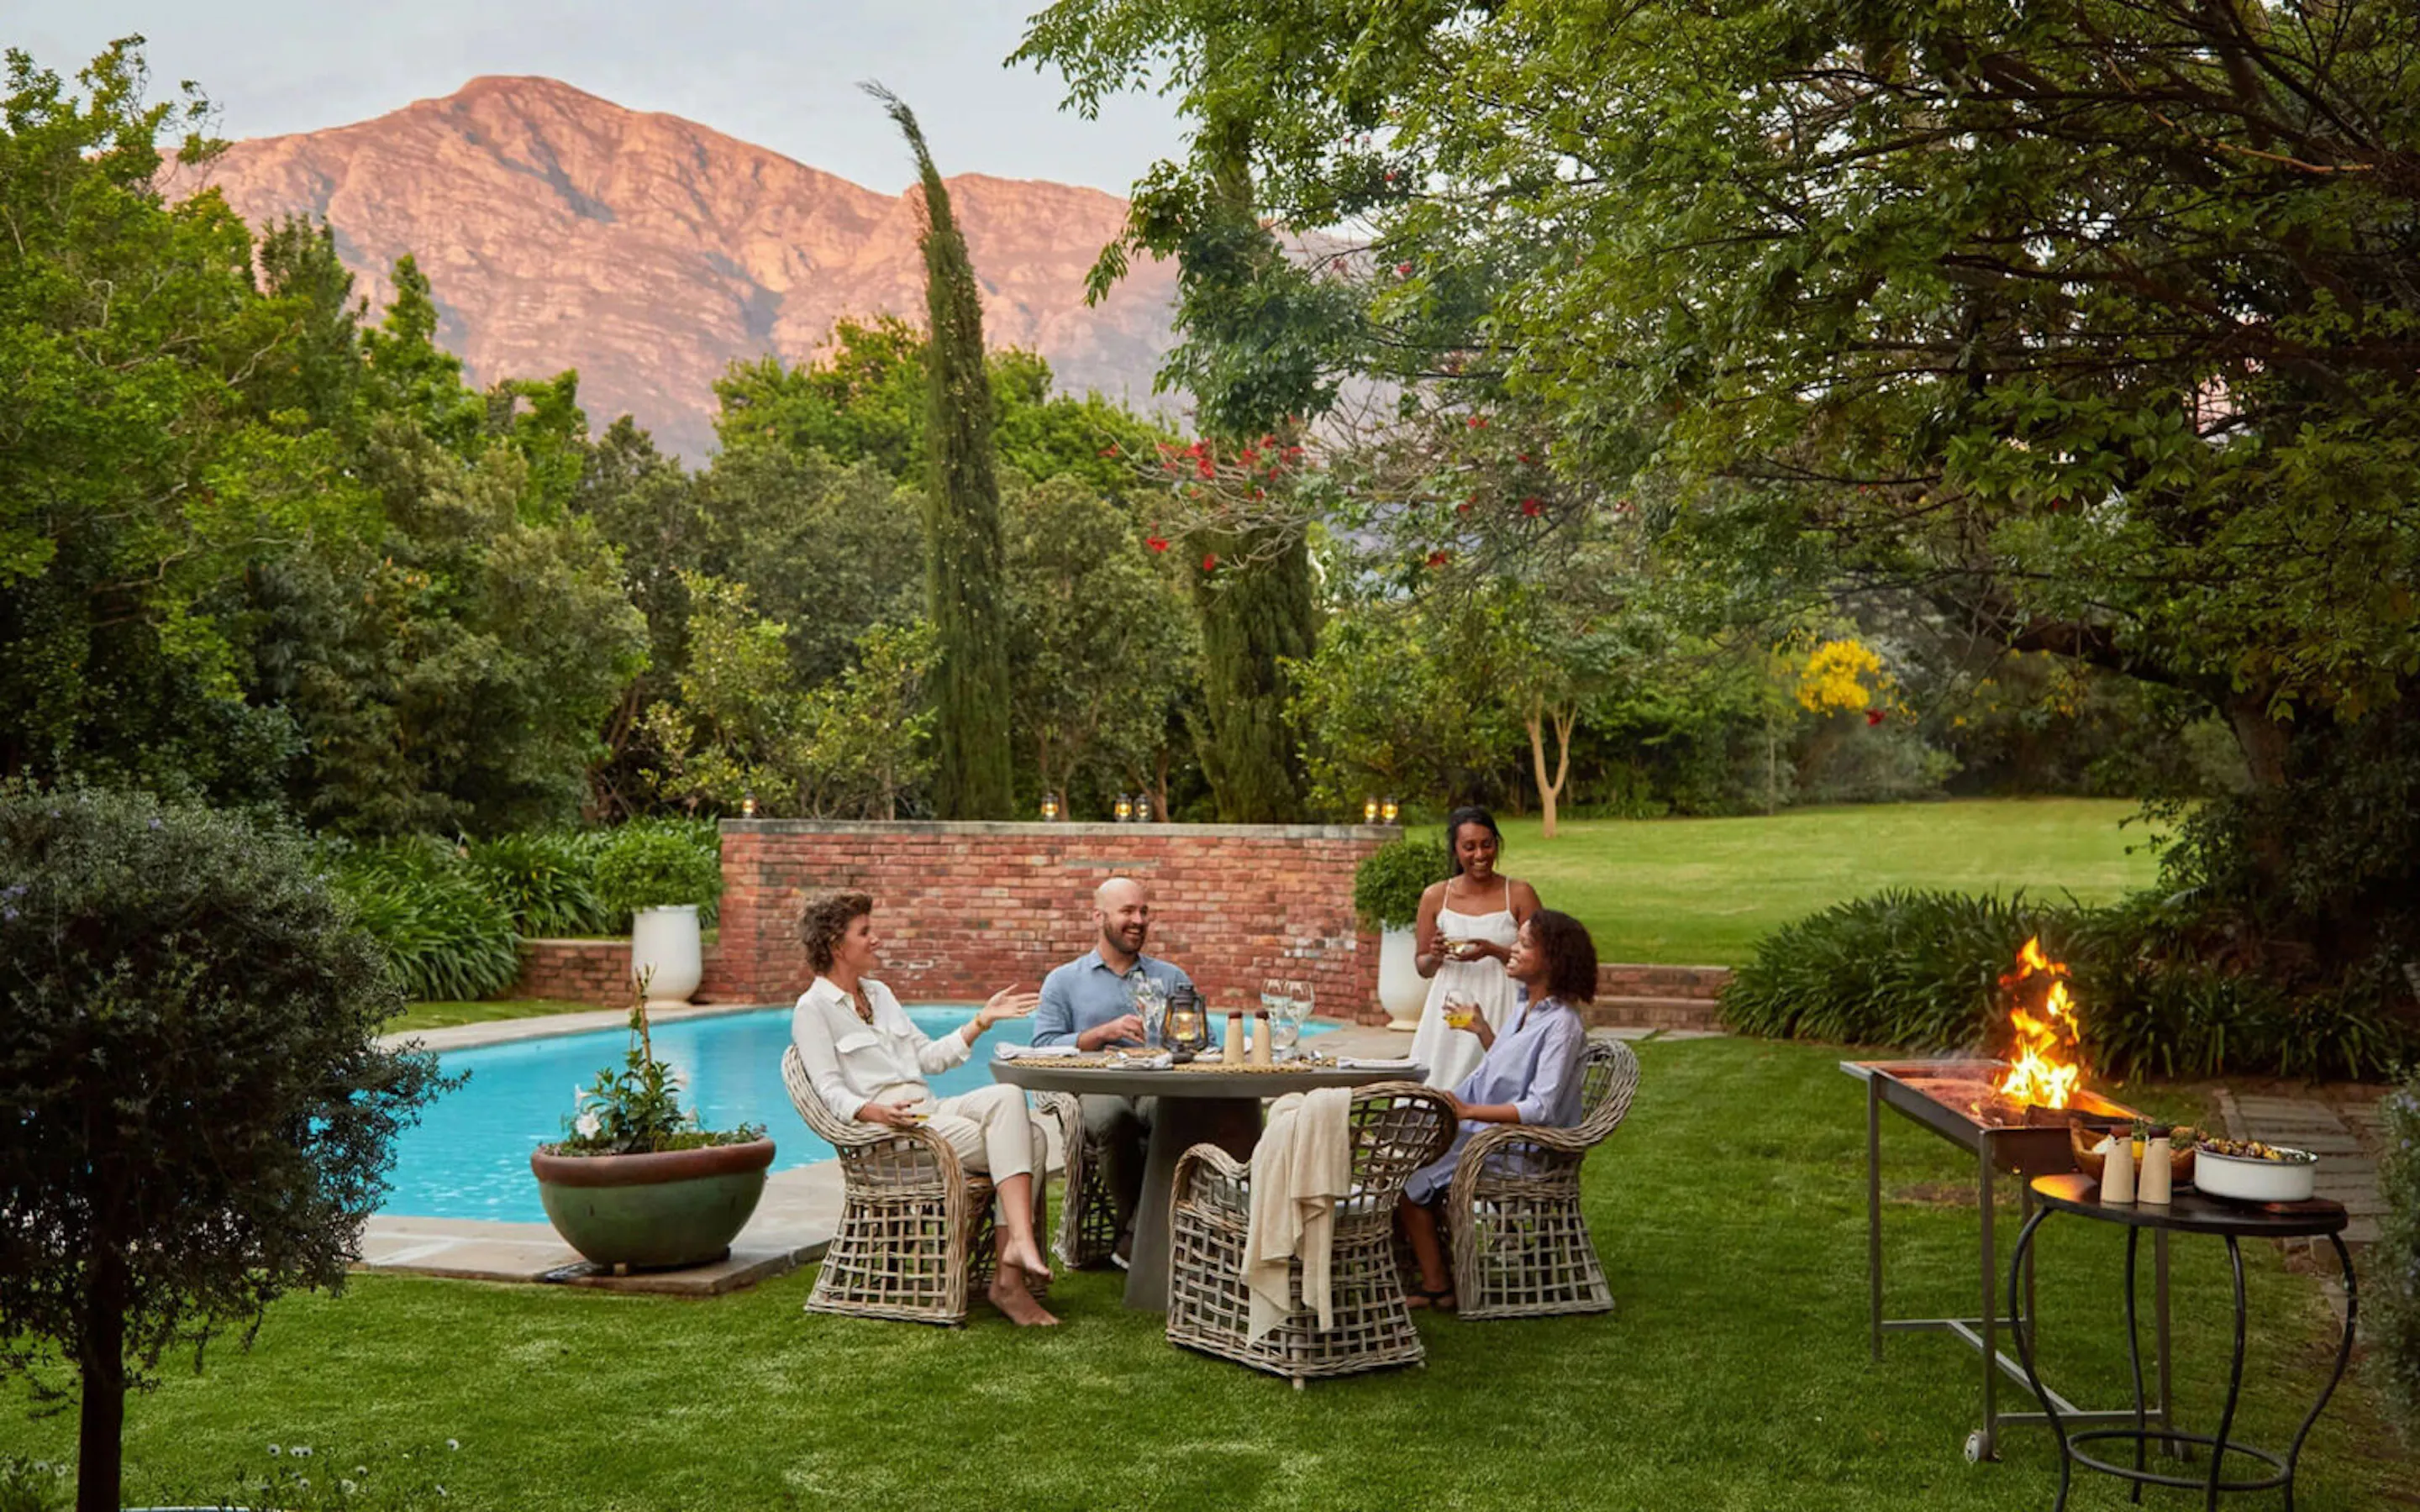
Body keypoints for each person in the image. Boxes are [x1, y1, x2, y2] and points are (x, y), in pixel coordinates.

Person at [789, 890, 1060, 1326]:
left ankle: (1015, 1255)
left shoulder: (879, 993)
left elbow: (929, 1058)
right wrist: (877, 1113)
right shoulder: (812, 1009)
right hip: (897, 1136)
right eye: (865, 932)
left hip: (932, 1112)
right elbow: (829, 1090)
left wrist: (981, 1021)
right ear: (837, 945)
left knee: (1009, 1096)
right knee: (1032, 1140)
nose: (875, 939)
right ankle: (1010, 1281)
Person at [1397, 907, 1597, 1311]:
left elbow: (1540, 1106)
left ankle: (1437, 1285)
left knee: (1406, 1175)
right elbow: (1509, 1073)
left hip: (1522, 1151)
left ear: (1553, 960)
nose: (1513, 951)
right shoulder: (1526, 1008)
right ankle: (1425, 1268)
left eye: (1524, 944)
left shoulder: (1562, 1025)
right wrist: (1484, 1030)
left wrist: (1469, 1111)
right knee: (1399, 1140)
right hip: (1490, 1137)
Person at [1032, 875, 1197, 1264]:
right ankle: (1141, 1231)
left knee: (1174, 1115)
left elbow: (1197, 1040)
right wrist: (1098, 1034)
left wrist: (1178, 1044)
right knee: (1114, 1119)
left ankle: (1135, 1234)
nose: (1138, 920)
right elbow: (1040, 1047)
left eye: (1144, 911)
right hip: (1094, 1089)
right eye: (1127, 911)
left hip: (1156, 1086)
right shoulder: (1064, 981)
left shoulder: (1170, 977)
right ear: (1098, 917)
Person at [1406, 806, 1542, 1091]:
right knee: (1442, 1089)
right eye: (1469, 847)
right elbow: (1422, 967)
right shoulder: (1435, 896)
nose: (1480, 855)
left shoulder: (1518, 893)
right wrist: (1436, 955)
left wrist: (1494, 950)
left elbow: (1542, 960)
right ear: (1456, 851)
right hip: (1451, 1006)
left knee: (1500, 1087)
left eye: (1487, 844)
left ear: (1496, 843)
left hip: (1503, 1002)